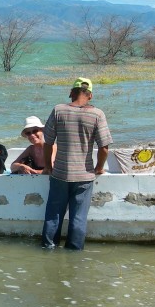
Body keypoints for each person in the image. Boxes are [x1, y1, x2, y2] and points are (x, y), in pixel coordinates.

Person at [41, 78, 113, 250]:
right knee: (78, 217)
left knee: (54, 215)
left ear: (71, 92)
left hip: (60, 174)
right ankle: (74, 254)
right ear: (90, 96)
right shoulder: (97, 114)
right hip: (84, 175)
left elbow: (47, 143)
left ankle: (48, 249)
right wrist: (99, 168)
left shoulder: (58, 110)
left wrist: (48, 167)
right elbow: (104, 147)